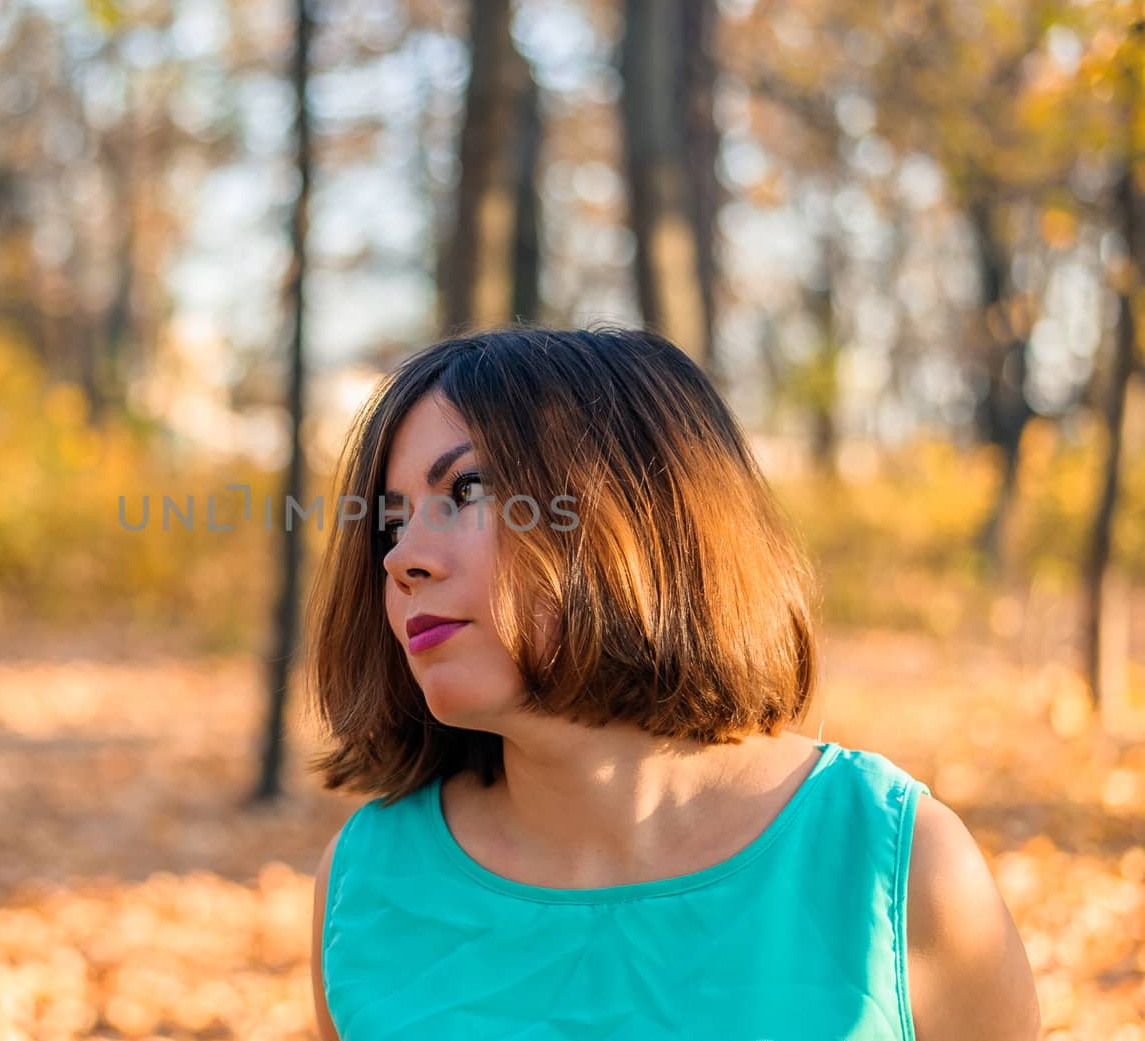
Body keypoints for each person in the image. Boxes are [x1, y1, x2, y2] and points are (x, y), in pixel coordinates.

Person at [302, 325, 1040, 1040]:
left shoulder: (893, 863)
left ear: (636, 514)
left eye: (465, 489)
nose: (402, 559)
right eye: (390, 523)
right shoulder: (366, 887)